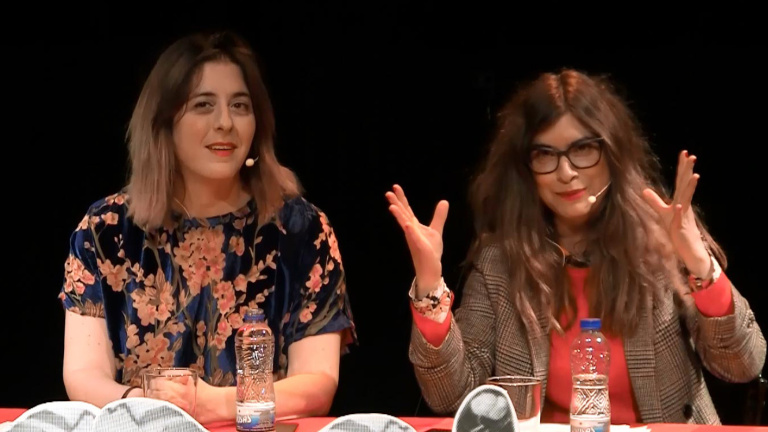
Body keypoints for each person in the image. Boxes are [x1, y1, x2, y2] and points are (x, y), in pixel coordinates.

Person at [385, 69, 766, 424]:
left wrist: (698, 262)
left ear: (611, 153)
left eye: (582, 149)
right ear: (526, 170)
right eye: (545, 155)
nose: (566, 173)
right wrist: (430, 287)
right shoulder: (500, 261)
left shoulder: (662, 239)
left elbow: (743, 365)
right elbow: (452, 395)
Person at [59, 30, 356, 424]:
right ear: (163, 121)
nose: (225, 123)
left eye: (240, 106)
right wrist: (144, 405)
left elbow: (317, 383)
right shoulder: (106, 231)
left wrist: (212, 405)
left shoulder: (301, 230)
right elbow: (82, 374)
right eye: (203, 105)